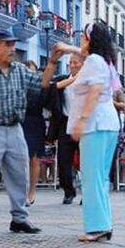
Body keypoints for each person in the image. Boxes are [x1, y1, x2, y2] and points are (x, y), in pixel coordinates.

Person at [0, 28, 58, 238]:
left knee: (20, 175)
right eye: (7, 45)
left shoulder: (20, 70)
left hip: (15, 129)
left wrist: (52, 62)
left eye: (13, 44)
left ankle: (19, 219)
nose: (12, 49)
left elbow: (42, 83)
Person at [63, 24, 122, 242]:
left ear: (90, 40)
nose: (80, 42)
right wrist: (69, 49)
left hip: (95, 124)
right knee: (99, 177)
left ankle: (97, 226)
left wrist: (82, 119)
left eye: (83, 38)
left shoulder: (94, 61)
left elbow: (95, 91)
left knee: (91, 177)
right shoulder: (103, 61)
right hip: (106, 123)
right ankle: (103, 223)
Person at [45, 54, 82, 204]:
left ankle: (87, 192)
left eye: (76, 62)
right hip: (66, 123)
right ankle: (68, 191)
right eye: (70, 62)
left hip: (84, 123)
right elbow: (50, 89)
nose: (72, 65)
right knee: (63, 159)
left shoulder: (89, 81)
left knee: (85, 160)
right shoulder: (62, 79)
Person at [22, 60, 48, 207]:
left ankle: (32, 191)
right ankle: (22, 191)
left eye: (33, 71)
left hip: (36, 122)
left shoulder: (40, 87)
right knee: (22, 158)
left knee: (34, 159)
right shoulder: (17, 86)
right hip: (20, 122)